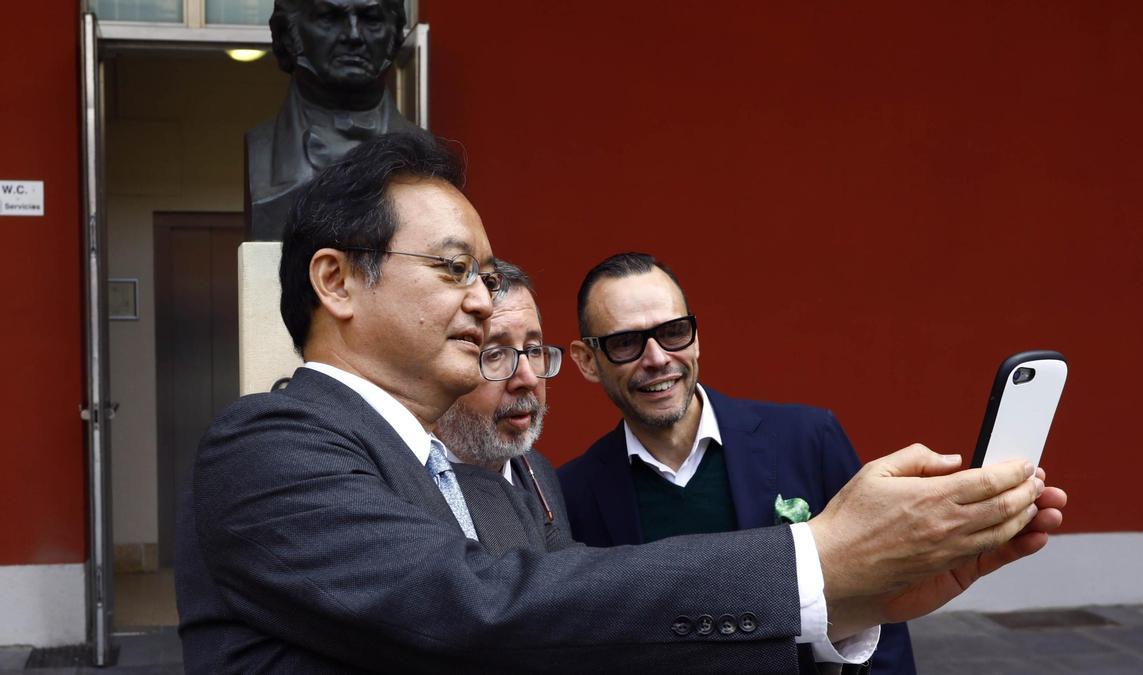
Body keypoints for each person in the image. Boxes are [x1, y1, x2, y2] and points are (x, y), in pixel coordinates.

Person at [175, 131, 1066, 673]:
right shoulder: (268, 448)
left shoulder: (499, 480)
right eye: (455, 270)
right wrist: (815, 561)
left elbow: (585, 641)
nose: (486, 302)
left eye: (488, 276)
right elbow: (475, 611)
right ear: (335, 281)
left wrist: (850, 606)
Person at [559, 252, 922, 672]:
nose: (657, 358)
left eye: (673, 332)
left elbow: (883, 601)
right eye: (625, 342)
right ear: (587, 360)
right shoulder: (573, 494)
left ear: (695, 337)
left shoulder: (809, 439)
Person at [246, 0, 420, 239]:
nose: (354, 35)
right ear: (288, 34)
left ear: (395, 35)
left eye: (371, 19)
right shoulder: (260, 149)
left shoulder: (423, 156)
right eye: (329, 17)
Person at [436, 258, 574, 553]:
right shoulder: (409, 484)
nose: (526, 378)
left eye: (534, 350)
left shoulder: (538, 469)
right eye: (496, 354)